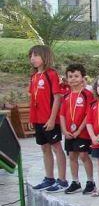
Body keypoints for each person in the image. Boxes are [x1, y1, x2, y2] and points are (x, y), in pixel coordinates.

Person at [28, 45, 68, 193]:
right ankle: (49, 178)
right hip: (38, 120)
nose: (33, 58)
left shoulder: (51, 74)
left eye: (36, 55)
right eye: (31, 56)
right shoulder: (34, 76)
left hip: (50, 119)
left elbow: (57, 98)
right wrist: (32, 119)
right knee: (44, 147)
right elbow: (33, 99)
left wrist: (52, 119)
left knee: (56, 147)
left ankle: (62, 180)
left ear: (45, 57)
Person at [58, 63, 95, 195]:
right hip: (68, 132)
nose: (73, 79)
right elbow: (62, 114)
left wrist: (79, 130)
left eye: (76, 76)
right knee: (72, 156)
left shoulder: (87, 94)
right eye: (70, 76)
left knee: (84, 155)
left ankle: (90, 182)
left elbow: (88, 114)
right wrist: (64, 130)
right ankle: (75, 182)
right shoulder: (66, 96)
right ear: (67, 79)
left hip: (82, 132)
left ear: (82, 77)